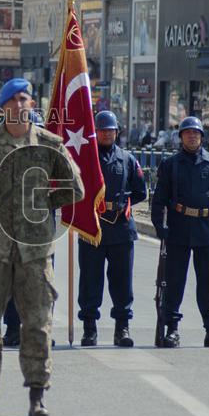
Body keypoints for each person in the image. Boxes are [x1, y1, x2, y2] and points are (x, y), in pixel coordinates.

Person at [0, 78, 84, 416]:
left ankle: (38, 396)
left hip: (34, 250)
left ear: (32, 105)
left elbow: (77, 187)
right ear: (3, 106)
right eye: (14, 99)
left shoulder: (50, 144)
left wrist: (41, 204)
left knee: (38, 324)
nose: (20, 104)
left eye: (26, 98)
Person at [150, 116, 209, 349]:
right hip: (178, 228)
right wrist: (160, 226)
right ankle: (172, 329)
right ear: (181, 137)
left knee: (208, 283)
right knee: (174, 282)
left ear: (202, 138)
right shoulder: (170, 165)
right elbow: (158, 200)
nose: (192, 136)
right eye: (187, 133)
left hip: (206, 230)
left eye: (196, 133)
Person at [78, 110, 148, 347]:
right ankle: (89, 329)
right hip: (92, 228)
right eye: (102, 130)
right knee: (90, 281)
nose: (107, 133)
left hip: (120, 228)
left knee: (122, 283)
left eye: (111, 130)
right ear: (95, 133)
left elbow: (140, 191)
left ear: (117, 132)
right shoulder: (85, 159)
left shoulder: (127, 159)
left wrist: (121, 205)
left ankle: (122, 328)